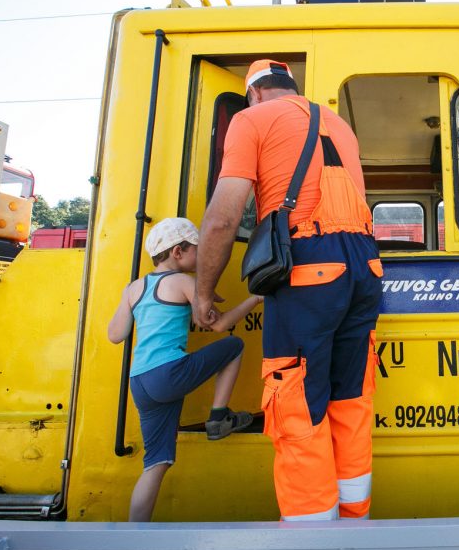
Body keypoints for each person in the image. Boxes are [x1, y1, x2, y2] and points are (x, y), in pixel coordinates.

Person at [194, 60, 383, 521]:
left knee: (296, 399)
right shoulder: (340, 126)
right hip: (365, 264)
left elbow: (222, 217)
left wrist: (203, 291)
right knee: (351, 398)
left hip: (309, 267)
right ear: (291, 88)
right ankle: (354, 520)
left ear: (254, 93)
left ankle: (311, 533)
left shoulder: (250, 119)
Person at [108, 217, 262, 522]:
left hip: (141, 382)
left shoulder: (135, 288)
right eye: (198, 250)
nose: (203, 257)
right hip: (169, 373)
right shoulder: (183, 282)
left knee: (156, 462)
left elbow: (115, 334)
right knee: (233, 347)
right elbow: (218, 325)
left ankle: (134, 535)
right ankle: (219, 417)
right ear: (178, 252)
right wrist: (255, 299)